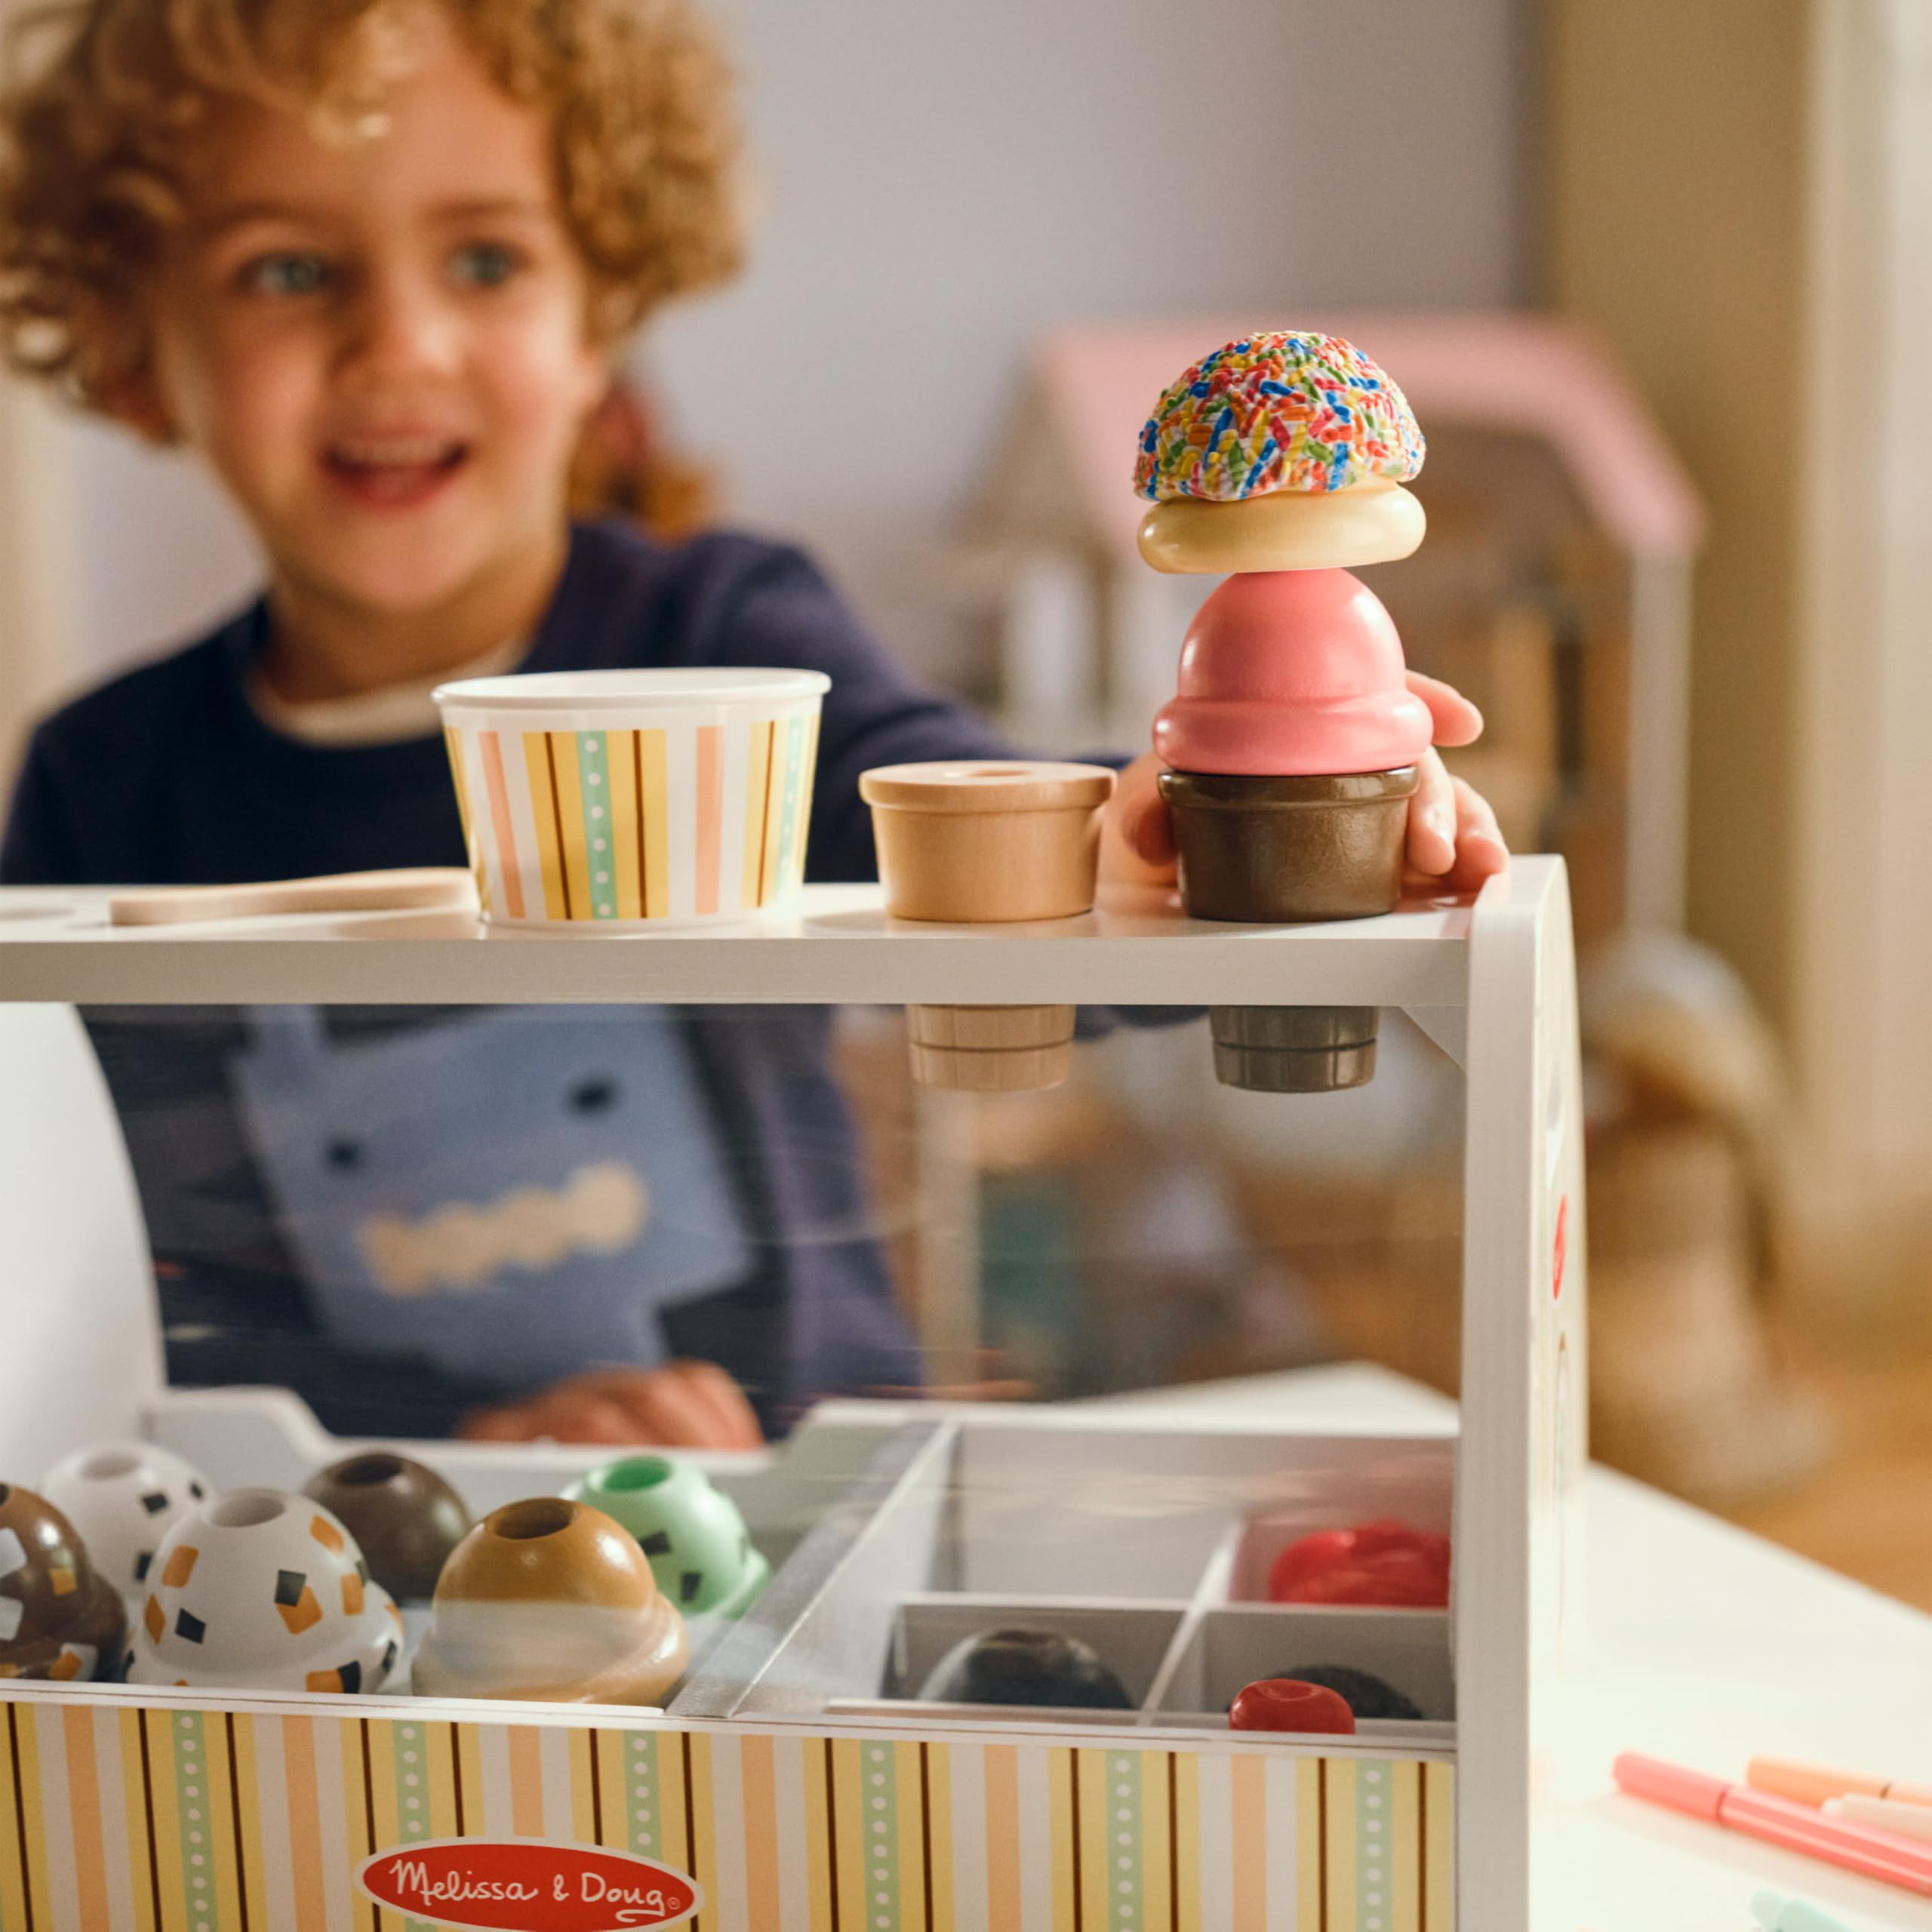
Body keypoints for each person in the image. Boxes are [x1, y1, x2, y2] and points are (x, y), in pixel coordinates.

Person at [0, 0, 1506, 1447]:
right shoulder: (101, 778)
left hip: (816, 1523)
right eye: (285, 270)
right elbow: (100, 1273)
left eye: (482, 256)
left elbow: (1009, 826)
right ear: (138, 347)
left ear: (605, 312)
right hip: (355, 1572)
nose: (398, 344)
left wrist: (1241, 814)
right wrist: (455, 1442)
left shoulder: (721, 648)